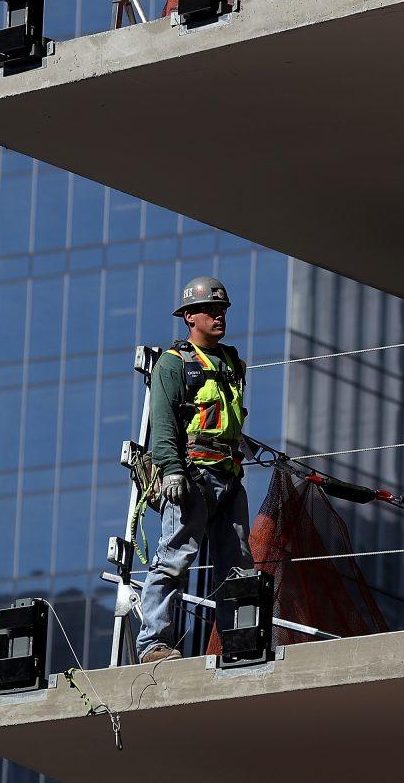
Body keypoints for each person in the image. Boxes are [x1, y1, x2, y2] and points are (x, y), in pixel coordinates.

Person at [135, 276, 254, 664]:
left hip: (229, 476)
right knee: (173, 559)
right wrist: (171, 469)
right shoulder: (174, 364)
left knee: (237, 566)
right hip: (192, 478)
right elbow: (164, 423)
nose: (218, 315)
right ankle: (153, 643)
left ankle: (239, 642)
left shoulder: (233, 362)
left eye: (222, 309)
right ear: (189, 316)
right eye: (210, 309)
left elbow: (227, 416)